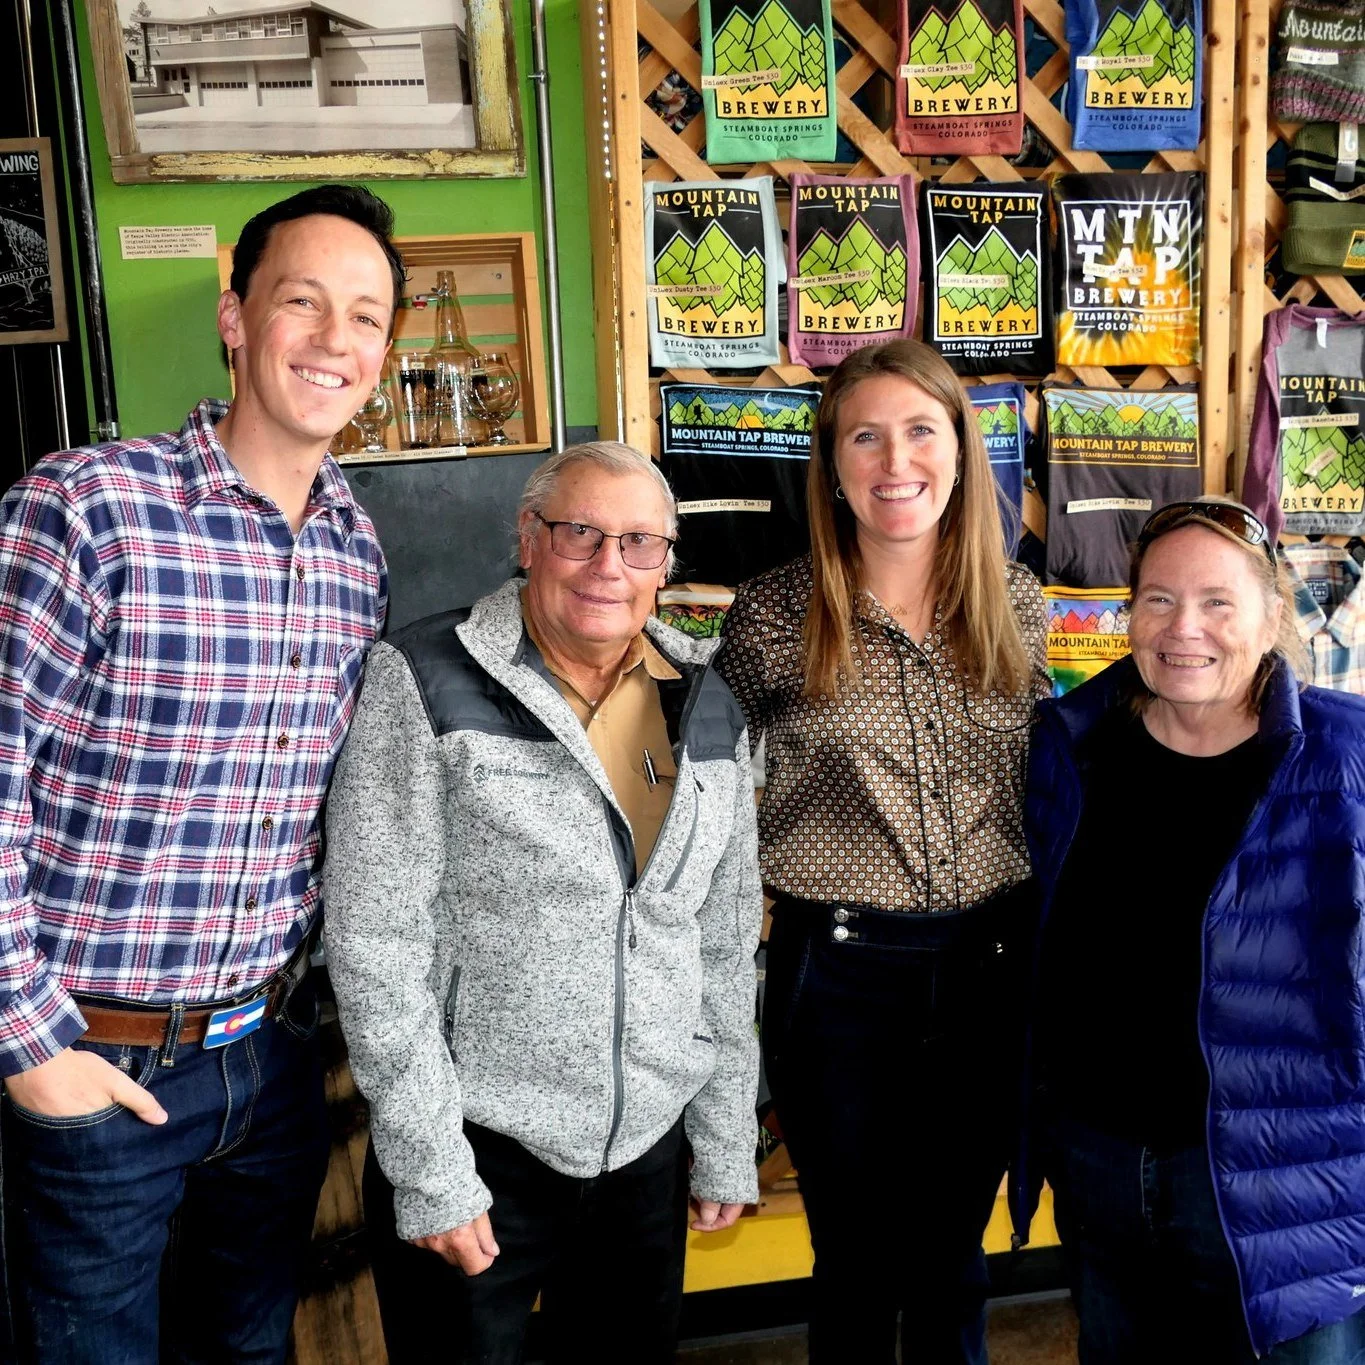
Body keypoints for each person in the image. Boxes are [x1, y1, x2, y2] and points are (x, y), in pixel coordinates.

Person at [0, 183, 399, 1363]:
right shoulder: (87, 508)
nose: (336, 341)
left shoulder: (354, 545)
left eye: (368, 317)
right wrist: (33, 1047)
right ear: (235, 316)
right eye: (302, 302)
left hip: (264, 1062)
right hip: (96, 1062)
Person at [323, 441, 764, 1364]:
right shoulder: (424, 678)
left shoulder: (708, 705)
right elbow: (374, 939)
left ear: (668, 561)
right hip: (480, 1145)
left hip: (644, 1151)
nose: (610, 566)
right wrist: (432, 1168)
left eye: (640, 542)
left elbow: (721, 943)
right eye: (580, 534)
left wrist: (722, 1133)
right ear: (527, 539)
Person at [717, 339, 1050, 1364]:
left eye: (920, 431)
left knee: (955, 1258)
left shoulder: (1017, 605)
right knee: (856, 1263)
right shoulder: (775, 615)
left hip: (991, 970)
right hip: (840, 979)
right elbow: (709, 801)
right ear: (832, 464)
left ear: (960, 449)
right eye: (866, 436)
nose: (895, 460)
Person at [1012, 497, 1365, 1363]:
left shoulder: (1346, 759)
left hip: (1286, 1185)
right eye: (1157, 599)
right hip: (1099, 1163)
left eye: (1216, 601)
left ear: (1272, 613)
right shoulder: (1070, 745)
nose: (1183, 628)